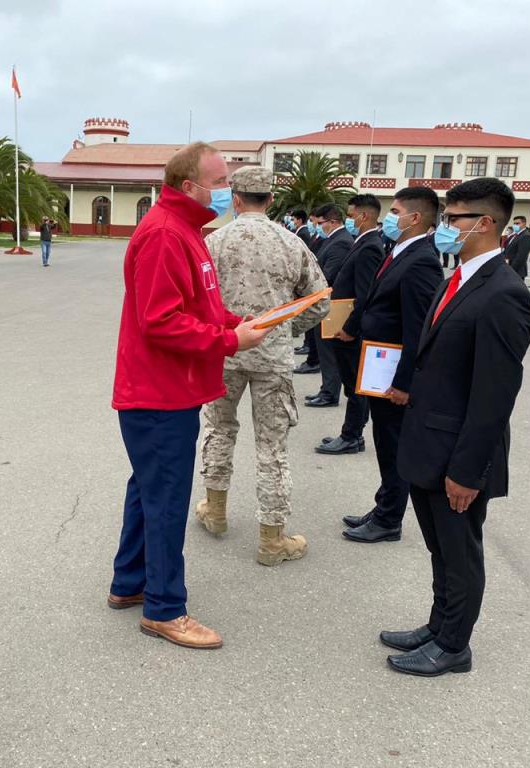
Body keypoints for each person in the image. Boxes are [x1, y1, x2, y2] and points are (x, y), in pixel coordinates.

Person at [109, 142, 270, 650]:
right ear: (189, 187)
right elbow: (160, 321)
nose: (228, 190)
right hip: (158, 393)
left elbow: (197, 304)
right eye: (220, 181)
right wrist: (228, 341)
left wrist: (232, 323)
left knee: (148, 488)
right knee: (166, 500)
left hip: (169, 388)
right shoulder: (163, 234)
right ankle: (164, 609)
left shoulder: (189, 231)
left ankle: (129, 583)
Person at [386, 178, 530, 677]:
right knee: (438, 547)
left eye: (454, 220)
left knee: (460, 551)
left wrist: (468, 472)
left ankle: (455, 645)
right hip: (429, 442)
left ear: (486, 223)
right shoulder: (461, 277)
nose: (445, 228)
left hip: (459, 456)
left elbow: (495, 396)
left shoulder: (504, 294)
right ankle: (438, 624)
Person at [197, 166, 330, 565]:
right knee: (272, 447)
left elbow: (197, 300)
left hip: (224, 352)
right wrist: (287, 330)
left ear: (235, 199)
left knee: (219, 430)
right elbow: (320, 300)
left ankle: (215, 512)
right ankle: (272, 540)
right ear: (271, 200)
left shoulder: (213, 243)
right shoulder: (292, 244)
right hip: (272, 359)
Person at [342, 187, 444, 544]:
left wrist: (404, 383)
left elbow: (419, 329)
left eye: (395, 210)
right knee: (384, 441)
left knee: (393, 444)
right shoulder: (399, 250)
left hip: (392, 373)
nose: (389, 216)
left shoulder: (422, 261)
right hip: (377, 363)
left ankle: (389, 519)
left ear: (414, 218)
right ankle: (384, 504)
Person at [316, 194, 383, 455]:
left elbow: (365, 294)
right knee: (350, 383)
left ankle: (351, 436)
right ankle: (351, 433)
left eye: (352, 215)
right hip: (344, 323)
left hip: (350, 330)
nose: (349, 220)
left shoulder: (370, 246)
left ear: (364, 216)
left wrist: (350, 328)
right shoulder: (362, 242)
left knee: (355, 385)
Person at [304, 204, 354, 408]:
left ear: (333, 221)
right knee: (325, 351)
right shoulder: (333, 239)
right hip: (325, 303)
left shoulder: (341, 242)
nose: (318, 226)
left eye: (321, 223)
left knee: (328, 353)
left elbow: (328, 275)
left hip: (332, 304)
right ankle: (326, 389)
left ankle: (330, 393)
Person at [292, 207, 321, 374]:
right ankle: (309, 352)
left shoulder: (302, 235)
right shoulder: (303, 234)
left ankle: (313, 360)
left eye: (294, 219)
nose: (292, 222)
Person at [502, 215, 530, 279]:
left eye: (517, 223)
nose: (515, 225)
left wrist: (511, 270)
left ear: (524, 223)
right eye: (514, 223)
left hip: (516, 271)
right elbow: (507, 250)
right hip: (508, 267)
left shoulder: (525, 236)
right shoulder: (514, 235)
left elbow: (521, 256)